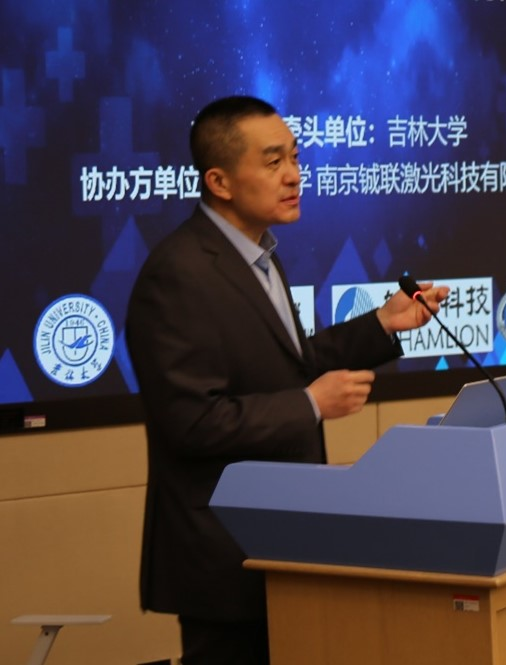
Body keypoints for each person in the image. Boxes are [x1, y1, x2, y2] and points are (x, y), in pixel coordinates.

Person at [125, 95, 448, 665]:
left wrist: (382, 323)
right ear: (220, 182)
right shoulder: (178, 275)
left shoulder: (260, 255)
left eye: (295, 158)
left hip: (279, 536)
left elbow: (289, 362)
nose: (295, 175)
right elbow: (191, 422)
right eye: (273, 162)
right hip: (224, 553)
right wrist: (310, 405)